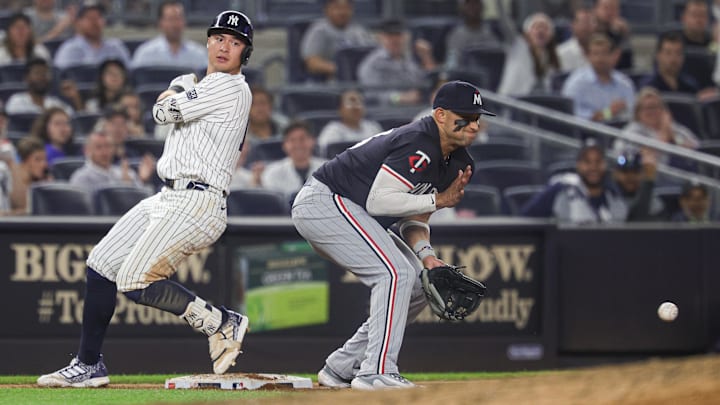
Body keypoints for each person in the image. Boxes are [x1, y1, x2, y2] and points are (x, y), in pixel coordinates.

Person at [37, 10, 255, 387]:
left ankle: (221, 322)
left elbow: (159, 111)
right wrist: (184, 90)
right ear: (207, 41)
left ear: (244, 54)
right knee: (101, 265)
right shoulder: (208, 86)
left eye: (235, 43)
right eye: (220, 37)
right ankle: (89, 365)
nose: (225, 46)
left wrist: (174, 88)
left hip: (198, 201)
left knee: (136, 279)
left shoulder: (231, 86)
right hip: (168, 195)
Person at [291, 80, 495, 390]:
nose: (473, 124)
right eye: (464, 116)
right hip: (326, 201)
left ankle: (343, 367)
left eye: (477, 118)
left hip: (351, 209)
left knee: (415, 281)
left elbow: (412, 217)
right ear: (440, 115)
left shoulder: (459, 161)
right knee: (394, 272)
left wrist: (427, 257)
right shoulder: (419, 140)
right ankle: (376, 370)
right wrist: (439, 200)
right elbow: (379, 200)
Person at [521, 140, 627, 224]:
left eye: (598, 161)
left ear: (605, 165)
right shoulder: (561, 189)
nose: (593, 167)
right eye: (587, 161)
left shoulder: (614, 197)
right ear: (578, 165)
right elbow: (526, 218)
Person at [357, 18, 436, 107]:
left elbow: (426, 83)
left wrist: (426, 58)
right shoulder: (372, 63)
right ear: (381, 38)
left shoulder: (409, 59)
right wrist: (398, 98)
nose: (395, 39)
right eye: (390, 35)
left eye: (398, 35)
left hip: (413, 109)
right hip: (386, 113)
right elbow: (371, 94)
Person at [615, 87, 700, 169]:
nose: (652, 111)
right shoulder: (632, 132)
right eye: (648, 108)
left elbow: (695, 146)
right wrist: (664, 135)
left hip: (682, 174)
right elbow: (625, 158)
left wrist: (675, 138)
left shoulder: (672, 127)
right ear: (638, 112)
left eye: (656, 107)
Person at [561, 33, 635, 123]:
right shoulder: (577, 83)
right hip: (585, 134)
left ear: (614, 56)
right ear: (588, 56)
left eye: (604, 53)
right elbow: (572, 117)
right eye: (595, 54)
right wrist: (608, 113)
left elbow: (632, 115)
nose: (600, 58)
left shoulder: (624, 83)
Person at [300, 0, 375, 81]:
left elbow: (371, 55)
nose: (342, 12)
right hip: (329, 80)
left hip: (359, 79)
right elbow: (312, 63)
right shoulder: (319, 30)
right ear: (327, 10)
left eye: (347, 8)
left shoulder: (359, 30)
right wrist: (341, 70)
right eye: (337, 8)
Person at [131, 0, 207, 70]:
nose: (175, 25)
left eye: (178, 19)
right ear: (160, 23)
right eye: (170, 19)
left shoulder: (199, 54)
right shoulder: (145, 54)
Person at [496, 11, 559, 96]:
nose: (540, 31)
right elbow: (504, 21)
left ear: (551, 35)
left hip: (540, 104)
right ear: (527, 33)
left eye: (545, 28)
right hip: (510, 102)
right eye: (536, 27)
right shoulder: (518, 46)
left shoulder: (553, 58)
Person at [69, 131, 154, 193]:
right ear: (87, 151)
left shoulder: (127, 174)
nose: (105, 152)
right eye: (98, 147)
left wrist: (141, 180)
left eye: (108, 146)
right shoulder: (81, 178)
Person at [53, 1, 131, 69]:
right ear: (78, 22)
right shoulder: (70, 50)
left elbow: (130, 76)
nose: (94, 22)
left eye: (98, 17)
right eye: (89, 18)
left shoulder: (115, 47)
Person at [262, 121, 326, 201]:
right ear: (284, 145)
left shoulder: (327, 169)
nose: (298, 144)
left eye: (302, 139)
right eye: (292, 140)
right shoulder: (272, 172)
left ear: (312, 141)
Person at [645, 31, 718, 100]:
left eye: (678, 53)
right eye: (668, 53)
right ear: (658, 55)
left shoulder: (690, 86)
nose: (673, 58)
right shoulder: (649, 88)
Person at [317, 89, 382, 155]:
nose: (356, 106)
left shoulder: (373, 127)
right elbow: (323, 156)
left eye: (360, 102)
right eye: (351, 101)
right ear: (340, 109)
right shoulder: (331, 131)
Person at [444, 0, 501, 70]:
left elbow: (497, 58)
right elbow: (452, 64)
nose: (473, 8)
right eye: (469, 4)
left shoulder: (491, 32)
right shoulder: (456, 35)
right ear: (462, 8)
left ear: (482, 6)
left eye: (476, 3)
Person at [5, 58, 73, 115]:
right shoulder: (17, 102)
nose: (42, 77)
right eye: (37, 73)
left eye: (45, 73)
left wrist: (75, 97)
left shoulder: (56, 104)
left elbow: (73, 119)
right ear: (26, 78)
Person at [611, 149, 665, 221]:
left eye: (635, 172)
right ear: (616, 174)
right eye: (625, 172)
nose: (630, 177)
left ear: (642, 174)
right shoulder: (609, 197)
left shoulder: (652, 200)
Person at [10, 136, 49, 214]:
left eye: (44, 159)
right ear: (23, 161)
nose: (44, 164)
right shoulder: (9, 183)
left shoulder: (41, 183)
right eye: (38, 159)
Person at [557, 6, 597, 72]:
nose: (586, 27)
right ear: (573, 26)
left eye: (590, 22)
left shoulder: (602, 52)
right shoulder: (561, 52)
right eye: (583, 23)